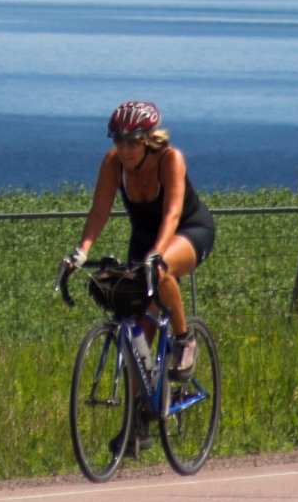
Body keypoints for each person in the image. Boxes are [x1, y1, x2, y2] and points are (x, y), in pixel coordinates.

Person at [63, 100, 216, 382]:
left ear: (147, 139)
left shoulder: (170, 159)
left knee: (161, 269)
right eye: (119, 142)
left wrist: (156, 254)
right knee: (137, 339)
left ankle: (184, 339)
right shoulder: (113, 163)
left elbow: (172, 214)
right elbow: (99, 211)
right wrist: (81, 251)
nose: (125, 150)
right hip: (145, 237)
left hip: (189, 228)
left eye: (132, 143)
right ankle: (140, 421)